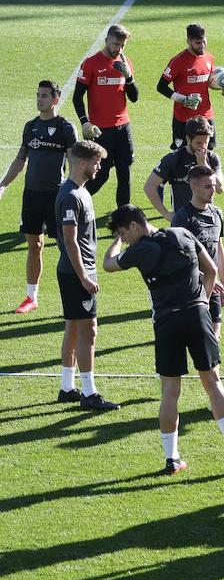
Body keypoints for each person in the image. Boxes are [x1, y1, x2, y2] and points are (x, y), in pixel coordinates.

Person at [101, 205, 224, 474]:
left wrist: (115, 243)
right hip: (197, 315)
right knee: (212, 381)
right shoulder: (183, 234)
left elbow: (107, 264)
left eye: (123, 232)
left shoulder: (139, 251)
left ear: (135, 226)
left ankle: (172, 458)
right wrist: (203, 302)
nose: (124, 238)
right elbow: (212, 270)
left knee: (170, 391)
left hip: (167, 321)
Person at [0, 80, 77, 314]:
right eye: (38, 95)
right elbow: (20, 159)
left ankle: (74, 292)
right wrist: (3, 184)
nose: (39, 99)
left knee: (66, 245)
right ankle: (31, 297)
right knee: (34, 244)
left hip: (56, 195)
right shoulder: (30, 127)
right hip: (32, 195)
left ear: (55, 99)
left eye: (44, 96)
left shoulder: (65, 127)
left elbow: (73, 161)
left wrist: (75, 190)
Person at [53, 141, 116, 410]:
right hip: (76, 272)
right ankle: (89, 393)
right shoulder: (70, 196)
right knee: (88, 330)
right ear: (82, 163)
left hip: (76, 271)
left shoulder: (80, 191)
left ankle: (67, 387)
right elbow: (71, 242)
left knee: (74, 327)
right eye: (96, 162)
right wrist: (84, 277)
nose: (99, 167)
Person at [73, 24, 138, 209]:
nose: (119, 49)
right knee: (101, 175)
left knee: (125, 173)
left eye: (123, 46)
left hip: (123, 127)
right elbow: (77, 97)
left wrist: (129, 76)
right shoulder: (91, 63)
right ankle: (71, 202)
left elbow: (134, 98)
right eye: (116, 44)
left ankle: (124, 217)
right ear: (107, 40)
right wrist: (85, 122)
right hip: (102, 130)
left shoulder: (125, 63)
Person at [156, 22, 224, 151]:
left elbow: (210, 81)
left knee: (208, 154)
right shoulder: (177, 61)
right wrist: (183, 99)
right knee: (182, 158)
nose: (202, 46)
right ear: (188, 41)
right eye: (198, 43)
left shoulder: (209, 58)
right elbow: (161, 87)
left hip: (206, 116)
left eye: (204, 41)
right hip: (183, 119)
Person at [171, 165, 224, 336]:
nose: (213, 190)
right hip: (190, 287)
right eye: (207, 186)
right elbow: (178, 257)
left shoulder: (217, 213)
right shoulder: (183, 218)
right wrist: (206, 277)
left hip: (214, 284)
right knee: (195, 336)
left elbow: (219, 247)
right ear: (193, 187)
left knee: (215, 335)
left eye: (213, 185)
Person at [144, 115, 224, 219]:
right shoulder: (174, 159)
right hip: (182, 221)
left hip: (207, 220)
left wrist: (203, 164)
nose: (203, 147)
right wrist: (166, 214)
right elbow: (149, 186)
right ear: (188, 139)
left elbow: (220, 188)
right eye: (198, 143)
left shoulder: (212, 158)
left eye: (205, 142)